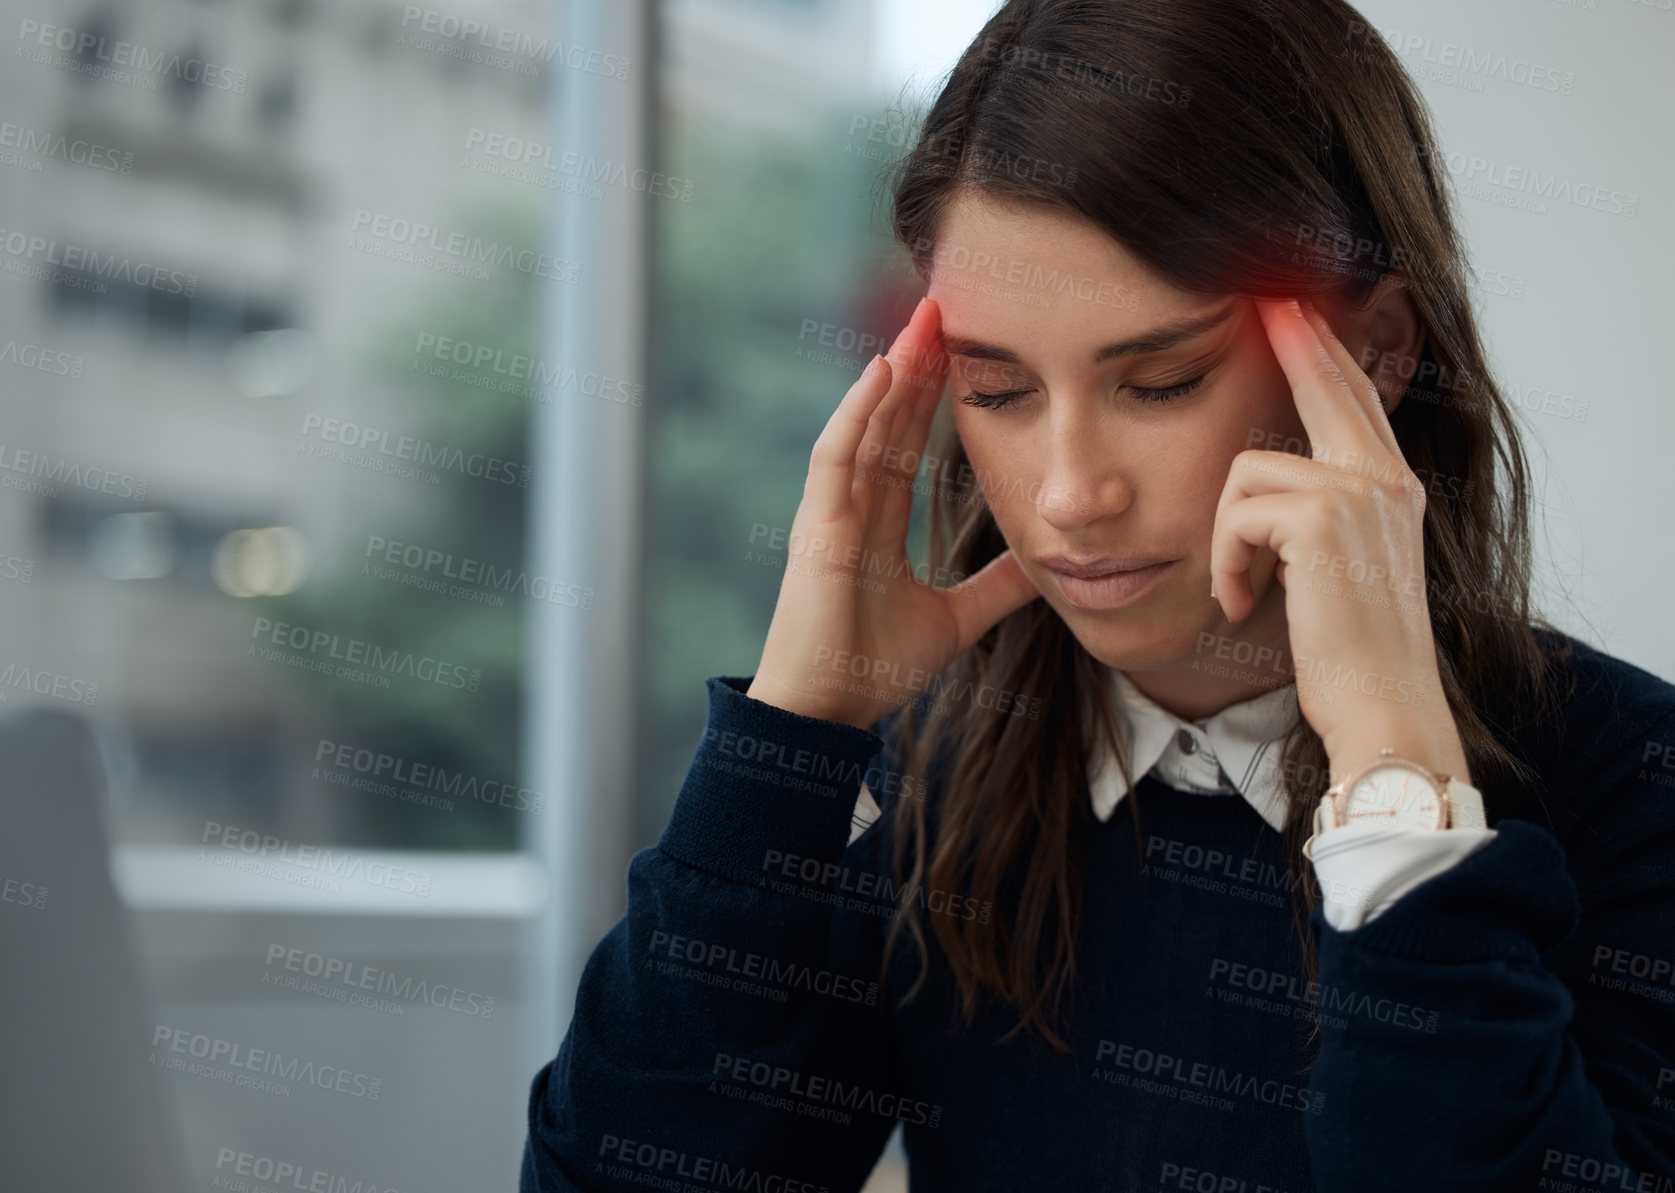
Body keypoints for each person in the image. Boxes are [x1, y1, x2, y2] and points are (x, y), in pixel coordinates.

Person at [520, 0, 1675, 1189]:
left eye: (1160, 382)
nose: (1070, 493)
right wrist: (793, 734)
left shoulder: (1629, 781)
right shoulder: (919, 786)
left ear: (1376, 351)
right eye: (998, 389)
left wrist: (1393, 773)